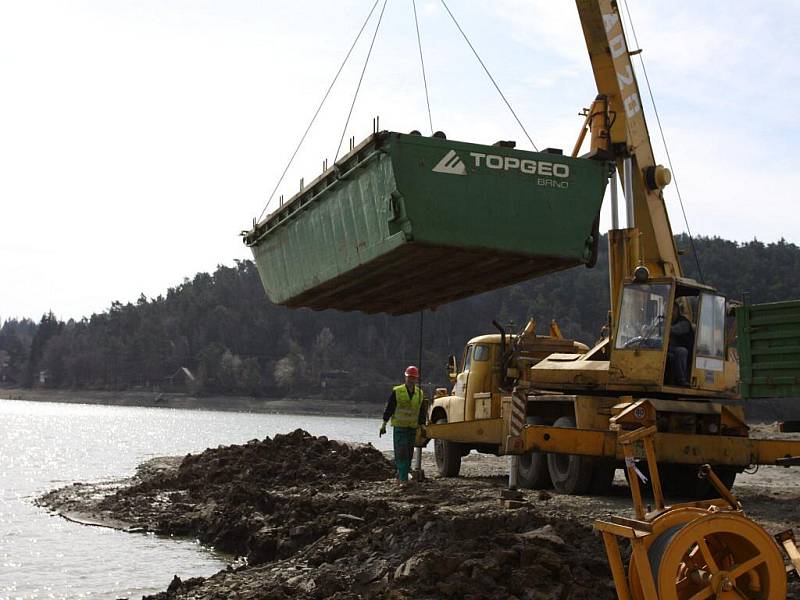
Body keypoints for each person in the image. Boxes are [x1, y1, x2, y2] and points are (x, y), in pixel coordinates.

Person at [380, 365, 425, 483]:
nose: (411, 380)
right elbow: (390, 408)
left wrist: (422, 425)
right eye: (409, 377)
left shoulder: (419, 393)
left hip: (412, 428)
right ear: (405, 377)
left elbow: (421, 411)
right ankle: (404, 480)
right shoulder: (397, 391)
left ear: (416, 379)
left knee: (409, 454)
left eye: (413, 378)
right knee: (401, 453)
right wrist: (384, 423)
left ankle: (401, 475)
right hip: (400, 428)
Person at [667, 301, 694, 386]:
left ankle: (681, 379)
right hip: (669, 348)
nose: (669, 311)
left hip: (684, 349)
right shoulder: (663, 320)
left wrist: (663, 328)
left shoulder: (684, 322)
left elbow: (675, 329)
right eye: (667, 309)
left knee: (681, 351)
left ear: (676, 310)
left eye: (672, 309)